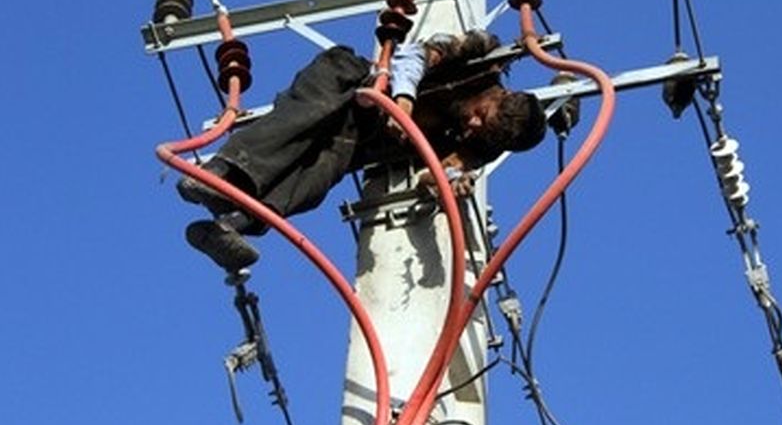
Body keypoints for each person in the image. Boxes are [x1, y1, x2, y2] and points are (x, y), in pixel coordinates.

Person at [177, 30, 547, 271]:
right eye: (481, 116)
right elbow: (414, 55)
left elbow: (437, 172)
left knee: (317, 176)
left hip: (360, 136)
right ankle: (219, 175)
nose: (473, 126)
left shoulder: (485, 145)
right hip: (351, 82)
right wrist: (402, 101)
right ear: (498, 96)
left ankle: (230, 227)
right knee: (307, 118)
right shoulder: (479, 57)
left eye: (483, 132)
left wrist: (448, 183)